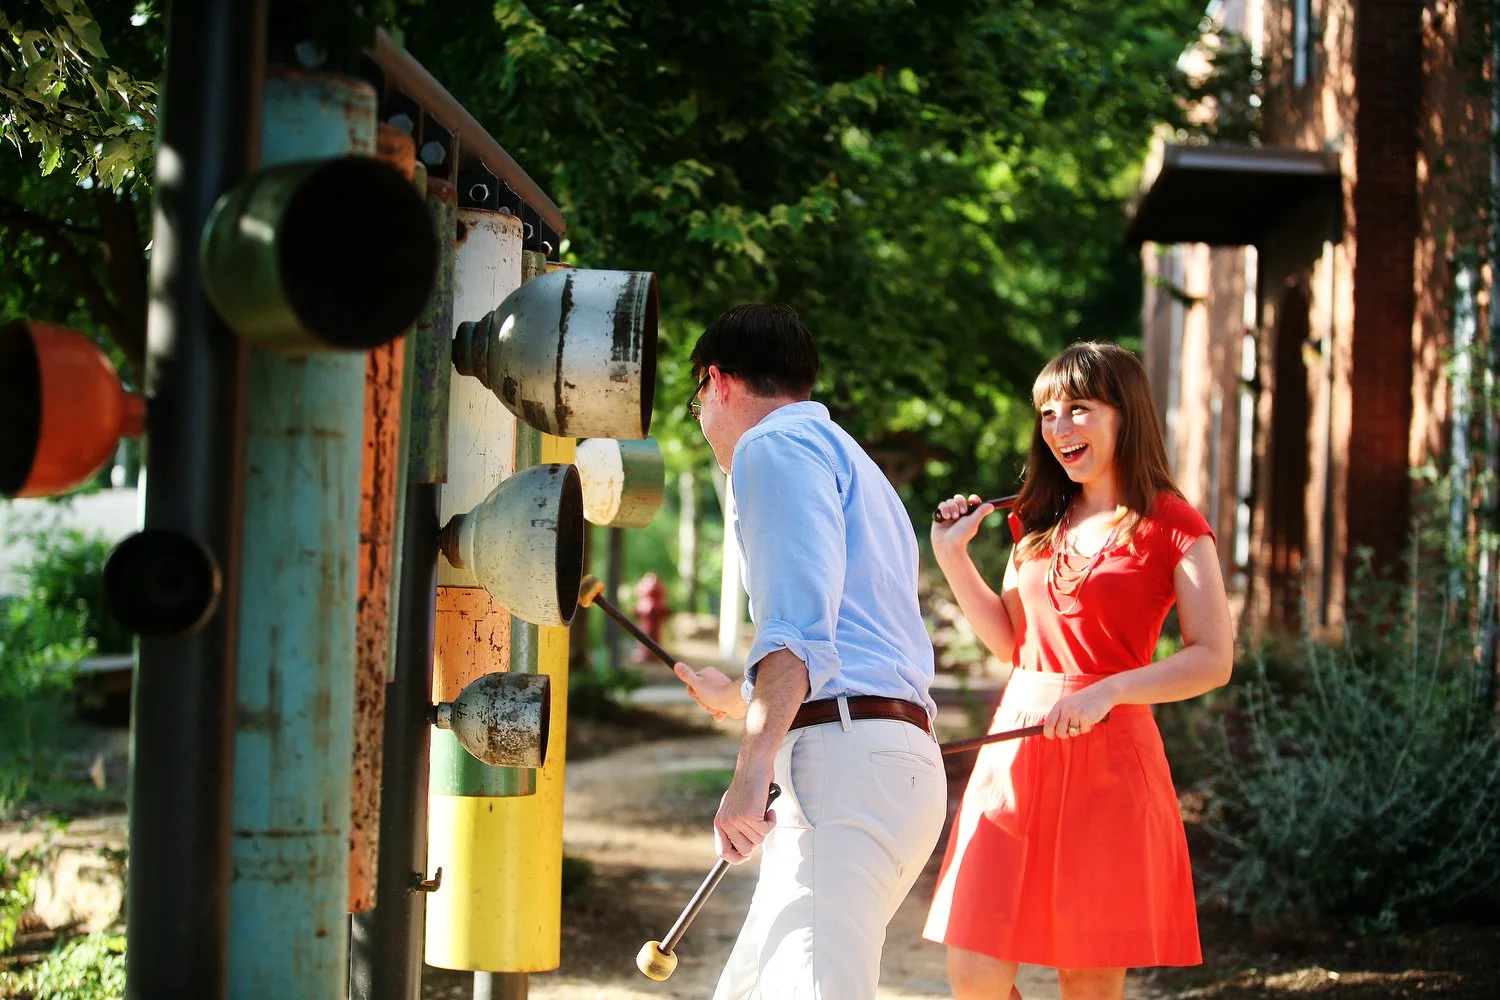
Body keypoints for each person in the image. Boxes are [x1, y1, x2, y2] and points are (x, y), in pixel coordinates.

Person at [923, 341, 1234, 1000]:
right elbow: (1013, 642)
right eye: (1047, 412)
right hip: (1017, 755)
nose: (1059, 427)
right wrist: (954, 559)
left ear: (1126, 415)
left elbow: (1214, 657)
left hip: (1112, 763)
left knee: (1089, 982)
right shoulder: (1036, 518)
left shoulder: (1175, 525)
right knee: (973, 968)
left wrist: (1111, 690)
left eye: (1079, 409)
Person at [670, 303, 947, 1000]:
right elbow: (849, 638)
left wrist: (748, 773)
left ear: (718, 383)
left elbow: (796, 630)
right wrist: (740, 698)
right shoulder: (852, 460)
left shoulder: (773, 448)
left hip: (847, 766)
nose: (702, 421)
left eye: (696, 401)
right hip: (887, 762)